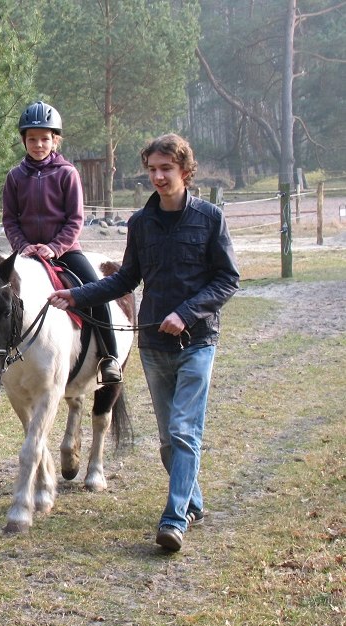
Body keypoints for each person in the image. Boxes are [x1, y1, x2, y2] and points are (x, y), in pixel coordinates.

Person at [47, 134, 240, 552]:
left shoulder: (210, 219)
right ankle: (193, 500)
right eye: (152, 168)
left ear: (185, 171)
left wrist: (186, 313)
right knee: (170, 439)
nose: (158, 176)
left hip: (198, 341)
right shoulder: (140, 223)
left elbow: (228, 279)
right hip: (152, 343)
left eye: (166, 168)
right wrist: (76, 296)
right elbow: (125, 279)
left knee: (184, 430)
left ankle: (174, 518)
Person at [2, 100, 122, 385]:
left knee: (94, 289)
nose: (39, 144)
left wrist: (54, 247)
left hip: (65, 252)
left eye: (45, 138)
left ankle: (109, 357)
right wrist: (23, 246)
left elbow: (74, 219)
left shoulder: (67, 173)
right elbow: (10, 220)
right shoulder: (15, 177)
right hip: (26, 253)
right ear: (24, 141)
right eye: (32, 139)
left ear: (55, 140)